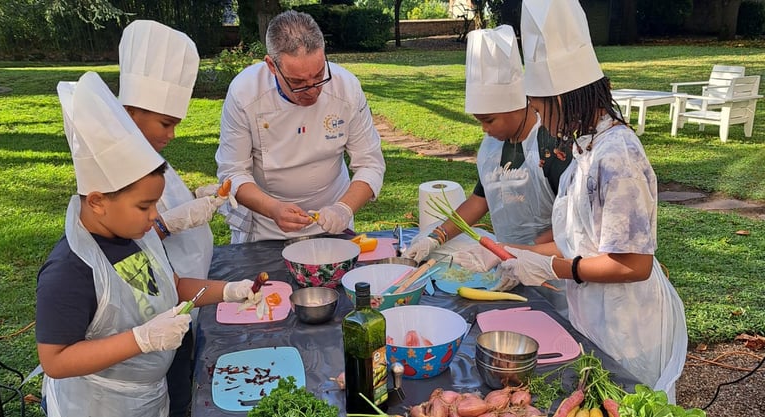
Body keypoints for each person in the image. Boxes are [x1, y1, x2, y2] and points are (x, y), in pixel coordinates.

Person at [458, 0, 688, 401]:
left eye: (541, 107)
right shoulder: (585, 148)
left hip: (627, 322)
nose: (541, 120)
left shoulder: (618, 155)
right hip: (593, 315)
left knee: (628, 402)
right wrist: (516, 254)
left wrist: (555, 266)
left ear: (561, 99)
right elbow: (579, 238)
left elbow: (633, 264)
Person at [36, 71, 261, 417]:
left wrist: (230, 290)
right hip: (98, 405)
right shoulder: (69, 270)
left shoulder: (138, 237)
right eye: (144, 207)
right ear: (97, 201)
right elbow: (55, 360)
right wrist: (140, 340)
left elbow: (175, 286)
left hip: (149, 397)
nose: (155, 217)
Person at [404, 25, 570, 312]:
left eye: (489, 120)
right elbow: (480, 199)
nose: (484, 128)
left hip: (553, 272)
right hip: (505, 263)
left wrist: (517, 253)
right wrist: (436, 237)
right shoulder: (492, 145)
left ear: (517, 104)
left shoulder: (551, 147)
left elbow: (572, 232)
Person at [117, 19, 224, 417]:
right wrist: (168, 223)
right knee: (177, 395)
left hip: (181, 296)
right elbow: (126, 252)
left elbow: (162, 197)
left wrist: (194, 198)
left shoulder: (146, 153)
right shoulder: (116, 170)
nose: (173, 134)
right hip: (153, 321)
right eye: (166, 123)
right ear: (130, 112)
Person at [215, 10, 386, 242]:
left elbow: (371, 163)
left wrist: (344, 209)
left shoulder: (347, 88)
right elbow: (232, 172)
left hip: (333, 220)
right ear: (271, 66)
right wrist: (273, 209)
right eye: (297, 82)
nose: (312, 89)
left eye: (318, 75)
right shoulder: (245, 93)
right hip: (266, 226)